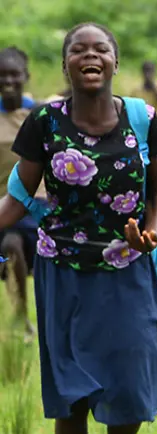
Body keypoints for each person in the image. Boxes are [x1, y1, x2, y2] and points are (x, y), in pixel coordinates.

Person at [0, 23, 157, 434]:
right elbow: (19, 197)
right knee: (69, 396)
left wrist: (153, 233)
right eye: (79, 49)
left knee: (138, 382)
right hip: (64, 271)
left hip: (128, 269)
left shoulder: (142, 118)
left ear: (115, 62)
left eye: (101, 49)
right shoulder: (44, 122)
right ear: (66, 64)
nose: (90, 55)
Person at [0, 47, 39, 341]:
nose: (8, 80)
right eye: (2, 75)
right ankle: (20, 318)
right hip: (3, 207)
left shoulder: (37, 114)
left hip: (36, 206)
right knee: (11, 247)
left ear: (25, 76)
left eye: (14, 74)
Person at [130, 61, 157, 132]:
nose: (148, 74)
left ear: (155, 72)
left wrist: (154, 89)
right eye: (146, 71)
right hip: (142, 129)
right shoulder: (136, 90)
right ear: (142, 73)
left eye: (151, 71)